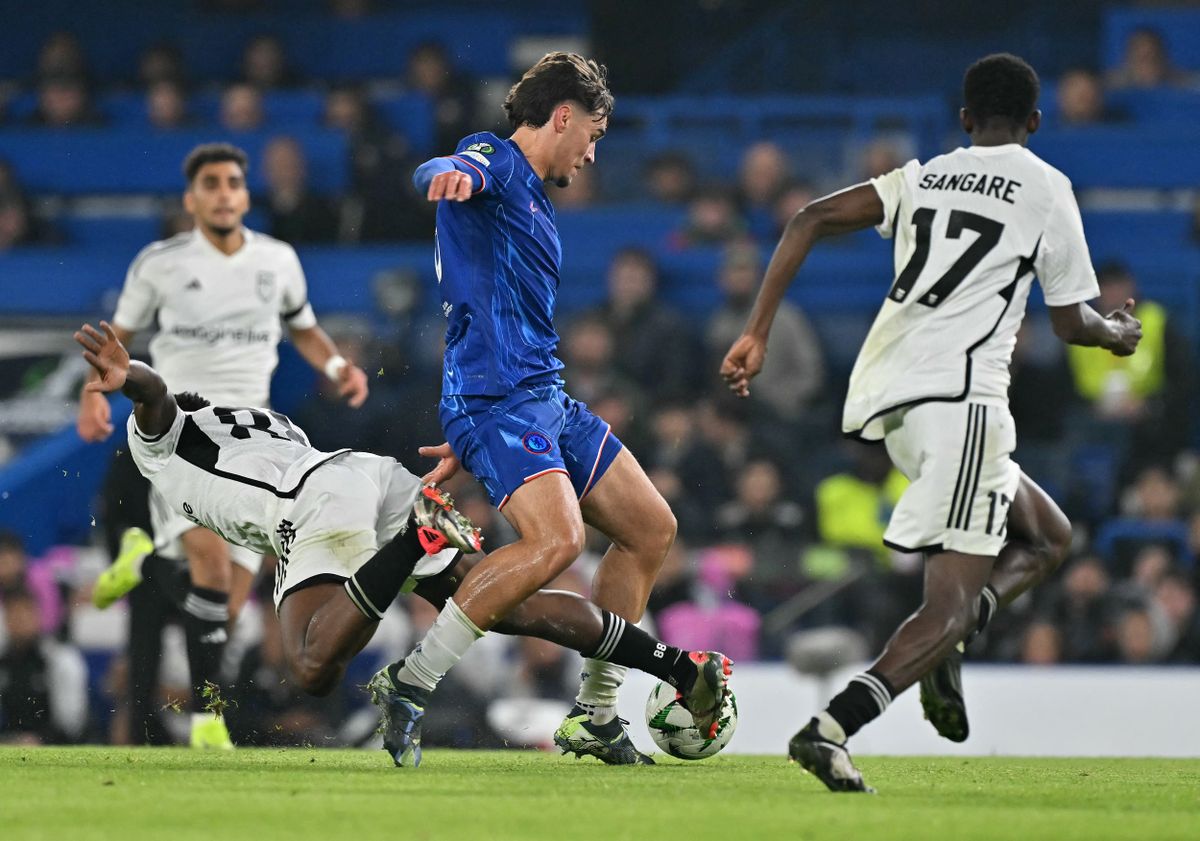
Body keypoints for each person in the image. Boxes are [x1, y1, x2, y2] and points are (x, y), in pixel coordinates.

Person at [720, 53, 1142, 792]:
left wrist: (756, 331)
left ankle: (949, 641)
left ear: (965, 119)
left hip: (891, 398)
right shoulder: (1046, 186)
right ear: (1035, 123)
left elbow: (808, 216)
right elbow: (1071, 323)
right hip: (965, 400)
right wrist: (1115, 333)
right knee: (945, 607)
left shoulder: (926, 174)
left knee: (1048, 535)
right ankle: (834, 725)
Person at [74, 321, 730, 767]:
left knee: (310, 665)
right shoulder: (258, 418)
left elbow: (153, 394)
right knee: (512, 607)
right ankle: (678, 667)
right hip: (365, 476)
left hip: (313, 504)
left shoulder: (159, 439)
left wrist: (124, 373)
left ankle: (416, 538)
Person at [400, 51, 719, 765]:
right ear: (565, 116)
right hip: (500, 400)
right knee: (558, 543)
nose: (593, 152)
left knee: (649, 527)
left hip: (540, 397)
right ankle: (411, 679)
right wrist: (442, 175)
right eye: (594, 135)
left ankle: (596, 714)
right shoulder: (498, 161)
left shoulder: (535, 194)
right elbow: (450, 165)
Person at [76, 143, 369, 750]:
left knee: (228, 609)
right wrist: (92, 395)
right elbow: (117, 344)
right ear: (192, 198)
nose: (224, 193)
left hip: (253, 443)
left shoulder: (279, 261)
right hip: (179, 432)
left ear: (245, 193)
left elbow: (306, 329)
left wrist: (338, 364)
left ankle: (148, 559)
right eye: (210, 184)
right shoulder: (159, 263)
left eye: (233, 182)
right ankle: (211, 722)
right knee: (210, 565)